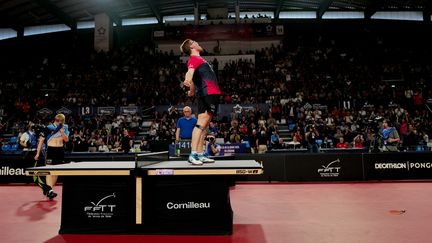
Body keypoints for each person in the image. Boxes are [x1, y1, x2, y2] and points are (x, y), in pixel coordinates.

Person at [180, 39, 223, 165]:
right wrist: (186, 80)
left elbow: (194, 78)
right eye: (194, 42)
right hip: (207, 93)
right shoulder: (194, 59)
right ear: (192, 46)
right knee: (201, 124)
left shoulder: (200, 60)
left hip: (209, 93)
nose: (198, 42)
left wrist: (191, 90)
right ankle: (193, 154)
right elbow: (190, 73)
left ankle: (199, 153)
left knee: (204, 125)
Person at [34, 114, 69, 200]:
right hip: (50, 150)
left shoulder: (65, 127)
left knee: (56, 172)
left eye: (62, 122)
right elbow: (41, 141)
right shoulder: (48, 128)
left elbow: (66, 140)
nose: (61, 123)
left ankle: (49, 190)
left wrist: (62, 132)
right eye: (59, 122)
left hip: (60, 150)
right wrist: (37, 153)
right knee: (49, 170)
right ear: (56, 120)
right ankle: (50, 191)